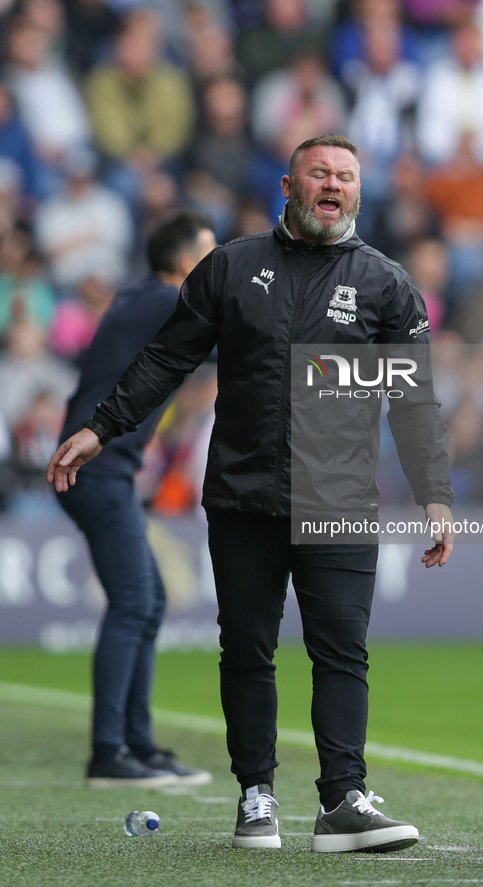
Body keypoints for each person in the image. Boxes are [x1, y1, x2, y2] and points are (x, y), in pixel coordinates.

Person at [47, 135, 455, 848]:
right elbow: (166, 358)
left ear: (357, 192)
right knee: (245, 650)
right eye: (319, 174)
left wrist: (436, 495)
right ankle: (256, 795)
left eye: (345, 177)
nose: (332, 185)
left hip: (340, 504)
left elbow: (413, 400)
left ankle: (342, 799)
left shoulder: (388, 284)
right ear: (288, 187)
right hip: (243, 498)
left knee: (341, 653)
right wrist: (101, 427)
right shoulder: (231, 265)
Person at [54, 210, 217, 787]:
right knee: (135, 602)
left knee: (144, 601)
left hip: (102, 470)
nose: (218, 266)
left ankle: (138, 747)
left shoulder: (141, 299)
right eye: (211, 254)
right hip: (94, 471)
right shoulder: (162, 301)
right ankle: (109, 753)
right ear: (183, 265)